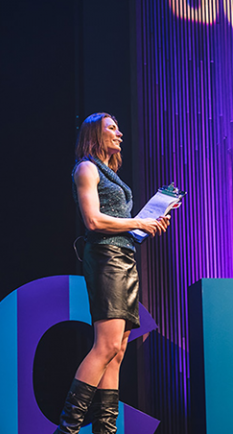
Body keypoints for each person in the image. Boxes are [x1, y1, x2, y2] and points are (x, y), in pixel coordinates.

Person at [55, 112, 170, 434]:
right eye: (112, 128)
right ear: (95, 134)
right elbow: (93, 221)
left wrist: (148, 224)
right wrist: (137, 222)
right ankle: (66, 430)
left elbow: (118, 224)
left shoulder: (109, 173)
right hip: (107, 258)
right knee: (105, 346)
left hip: (123, 256)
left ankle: (105, 431)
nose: (119, 134)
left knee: (117, 350)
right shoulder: (87, 168)